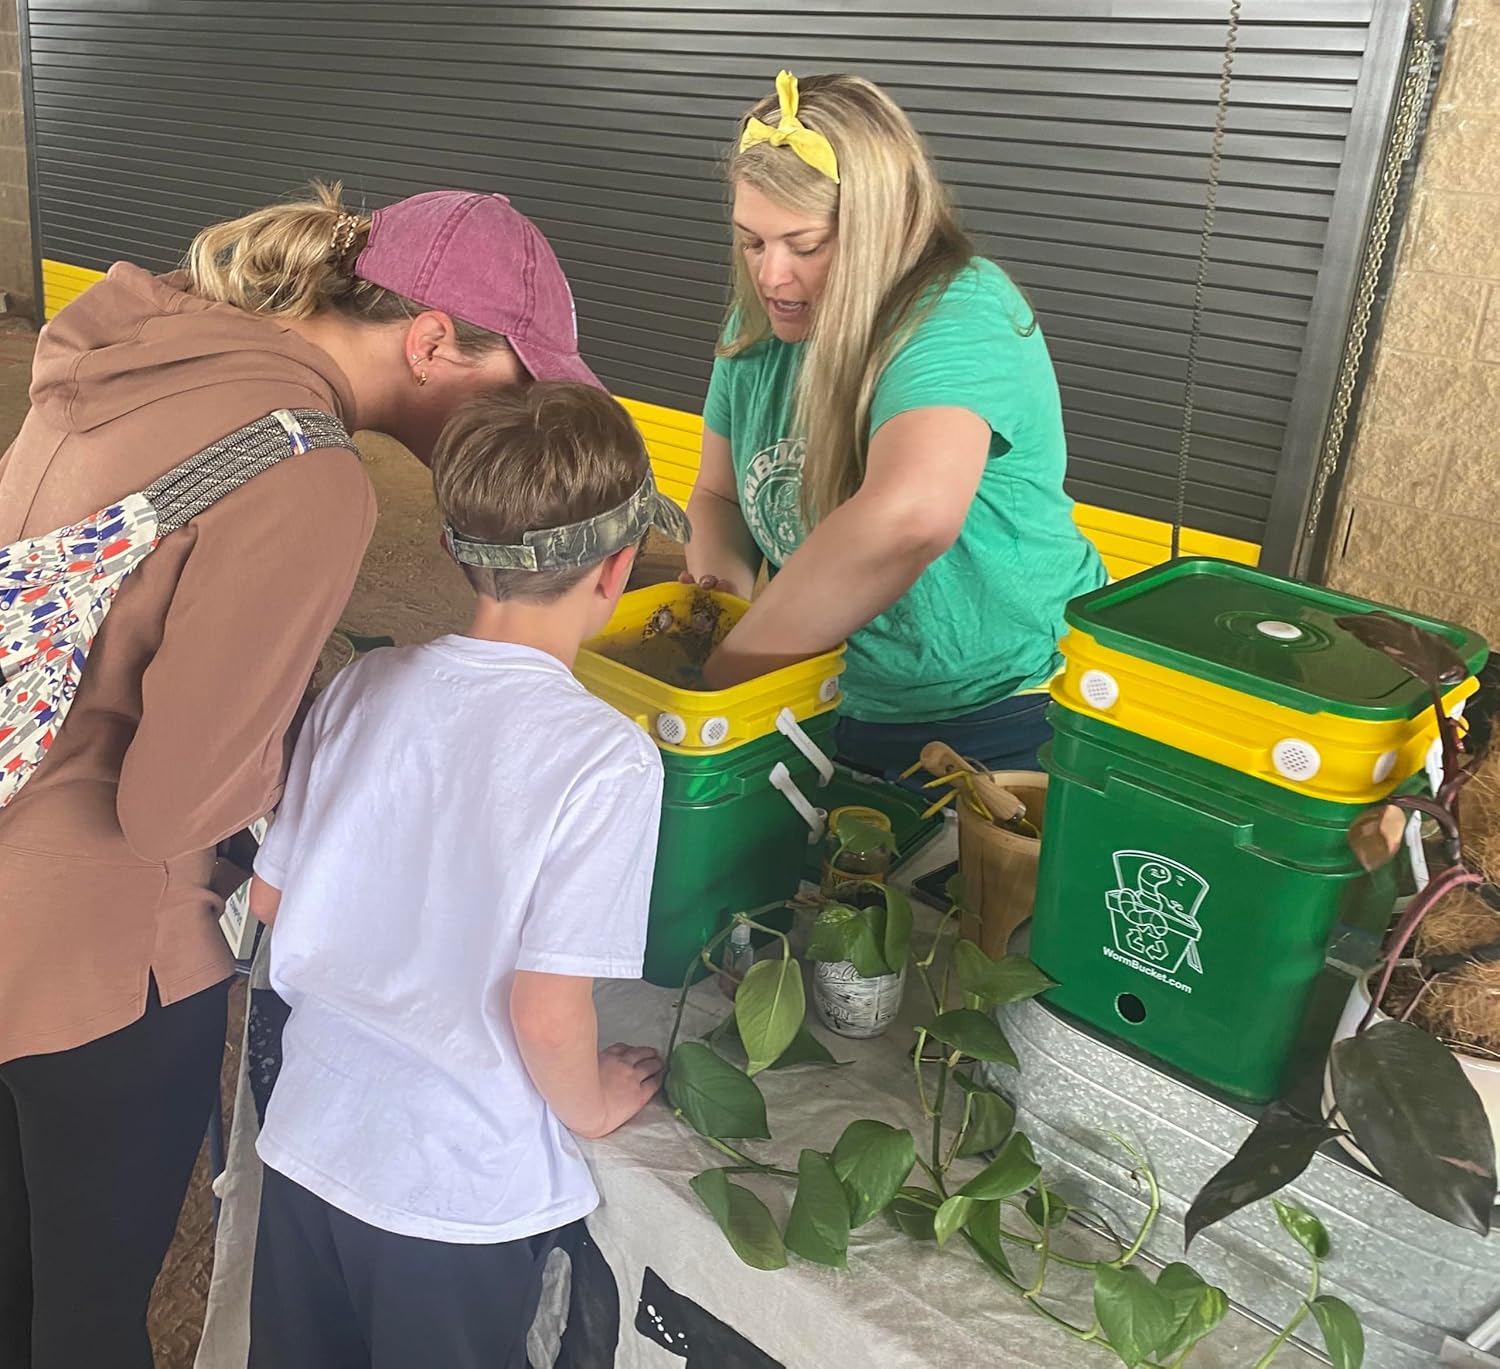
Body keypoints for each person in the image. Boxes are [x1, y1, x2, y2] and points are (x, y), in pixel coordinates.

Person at [0, 182, 601, 1369]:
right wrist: (319, 729)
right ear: (431, 340)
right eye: (515, 385)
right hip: (107, 957)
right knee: (83, 1319)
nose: (518, 418)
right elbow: (174, 801)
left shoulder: (140, 345)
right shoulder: (307, 473)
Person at [243, 382, 682, 1369]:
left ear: (452, 550)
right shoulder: (605, 758)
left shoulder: (364, 683)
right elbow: (545, 1010)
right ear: (618, 569)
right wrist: (593, 1105)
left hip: (311, 1143)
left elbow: (269, 899)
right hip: (454, 1196)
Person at [685, 71, 1107, 779]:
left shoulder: (961, 312)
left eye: (804, 244)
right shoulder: (758, 327)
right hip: (825, 697)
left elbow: (907, 517)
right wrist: (721, 610)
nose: (772, 276)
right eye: (751, 243)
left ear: (879, 230)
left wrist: (729, 675)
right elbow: (720, 496)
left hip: (1003, 710)